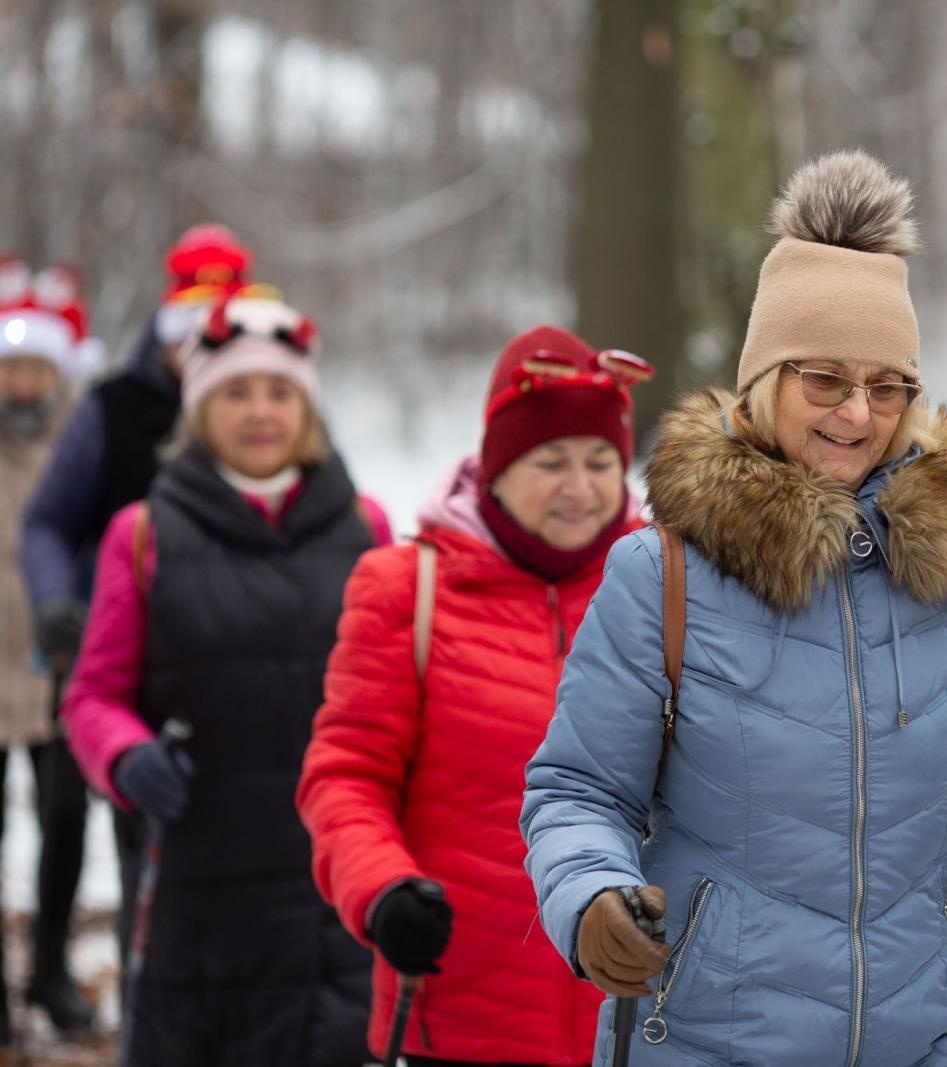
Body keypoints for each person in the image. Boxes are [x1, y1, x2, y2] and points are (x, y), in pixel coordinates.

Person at [520, 151, 947, 1065]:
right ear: (767, 380)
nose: (859, 413)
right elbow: (578, 791)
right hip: (705, 1038)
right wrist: (589, 900)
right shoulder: (661, 575)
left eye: (887, 385)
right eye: (826, 380)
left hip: (925, 1038)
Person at [298, 325, 652, 1067]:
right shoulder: (407, 590)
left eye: (600, 462)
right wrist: (383, 890)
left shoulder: (665, 596)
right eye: (550, 461)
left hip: (635, 1020)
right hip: (456, 1016)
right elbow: (345, 775)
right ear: (494, 467)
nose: (581, 488)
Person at [60, 293, 389, 1065]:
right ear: (200, 407)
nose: (260, 411)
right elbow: (91, 697)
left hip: (329, 890)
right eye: (235, 392)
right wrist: (125, 754)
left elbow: (396, 694)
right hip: (193, 890)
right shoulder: (140, 534)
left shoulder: (367, 528)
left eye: (279, 391)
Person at [21, 223, 264, 971]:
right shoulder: (113, 408)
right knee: (104, 834)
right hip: (112, 656)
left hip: (237, 665)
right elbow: (48, 521)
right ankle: (107, 985)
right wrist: (59, 599)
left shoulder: (264, 418)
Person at [0, 257, 103, 1040]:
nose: (26, 382)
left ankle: (51, 969)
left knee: (65, 824)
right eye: (14, 367)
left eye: (39, 367)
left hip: (63, 671)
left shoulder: (82, 440)